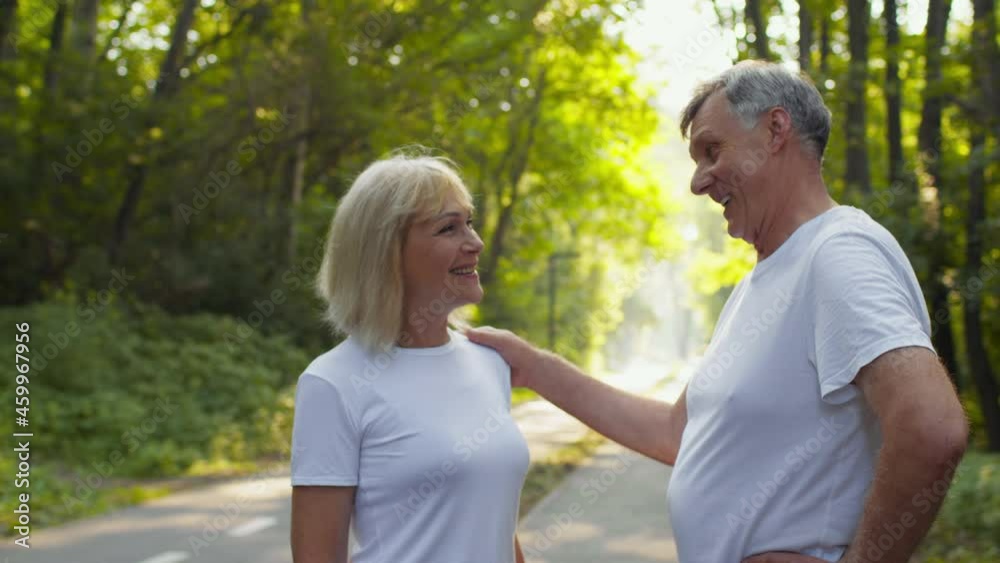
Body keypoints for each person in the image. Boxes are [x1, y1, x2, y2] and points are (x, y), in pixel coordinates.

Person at [466, 61, 968, 562]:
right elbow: (675, 433)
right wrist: (532, 366)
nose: (698, 182)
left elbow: (931, 426)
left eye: (712, 151)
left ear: (775, 130)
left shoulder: (838, 253)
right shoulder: (763, 280)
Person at [290, 153, 529, 563]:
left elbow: (490, 523)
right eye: (448, 228)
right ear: (385, 250)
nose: (475, 242)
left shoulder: (489, 362)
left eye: (469, 222)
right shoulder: (332, 382)